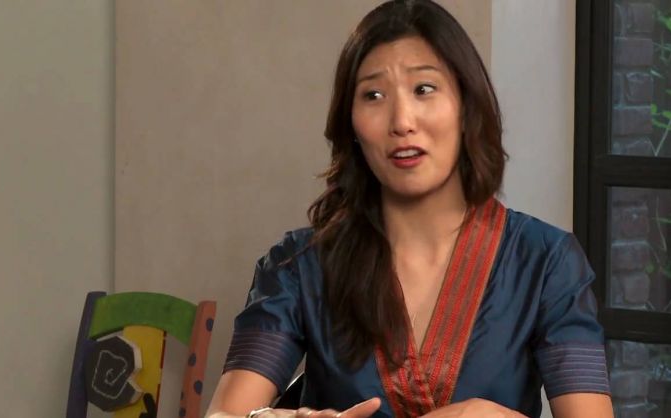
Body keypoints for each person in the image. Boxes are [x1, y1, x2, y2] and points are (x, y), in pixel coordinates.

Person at [205, 1, 613, 417]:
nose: (401, 121)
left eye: (423, 89)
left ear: (466, 105)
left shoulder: (545, 261)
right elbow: (224, 415)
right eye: (373, 95)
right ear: (351, 124)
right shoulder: (299, 266)